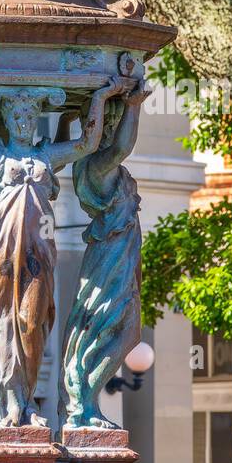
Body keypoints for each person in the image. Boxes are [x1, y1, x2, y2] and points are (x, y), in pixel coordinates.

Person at [0, 72, 124, 427]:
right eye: (16, 116)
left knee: (32, 323)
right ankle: (9, 405)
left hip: (38, 255)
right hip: (2, 254)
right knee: (3, 321)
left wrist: (101, 99)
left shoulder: (45, 156)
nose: (22, 122)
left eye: (29, 117)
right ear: (7, 119)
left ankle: (26, 399)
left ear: (35, 123)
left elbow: (87, 144)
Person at [62, 82, 149, 428]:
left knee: (124, 330)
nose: (115, 128)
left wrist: (67, 120)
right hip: (111, 254)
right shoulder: (97, 165)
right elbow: (124, 147)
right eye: (109, 122)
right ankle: (83, 404)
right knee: (112, 326)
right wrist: (134, 106)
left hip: (120, 251)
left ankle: (86, 402)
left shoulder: (89, 164)